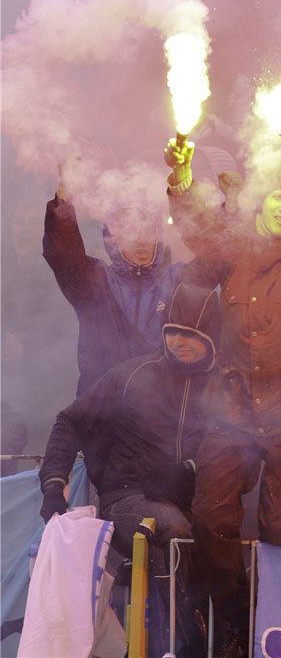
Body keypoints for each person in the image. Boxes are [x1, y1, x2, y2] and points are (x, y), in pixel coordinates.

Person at [164, 136, 281, 655]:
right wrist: (181, 180)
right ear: (260, 203)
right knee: (211, 516)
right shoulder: (234, 249)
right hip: (235, 409)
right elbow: (198, 232)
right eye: (278, 198)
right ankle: (234, 614)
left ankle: (276, 618)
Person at [38, 282, 220, 657]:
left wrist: (188, 471)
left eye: (192, 335)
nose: (179, 342)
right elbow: (69, 421)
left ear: (211, 338)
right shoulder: (134, 375)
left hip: (199, 501)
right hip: (129, 498)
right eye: (173, 333)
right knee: (172, 529)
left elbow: (241, 455)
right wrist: (54, 485)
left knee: (225, 535)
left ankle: (227, 635)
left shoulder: (224, 388)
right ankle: (191, 646)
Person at [43, 176, 196, 395]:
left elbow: (215, 258)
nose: (141, 240)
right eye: (131, 231)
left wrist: (182, 193)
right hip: (101, 416)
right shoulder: (94, 280)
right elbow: (62, 254)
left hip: (161, 418)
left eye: (148, 230)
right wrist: (63, 200)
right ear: (113, 237)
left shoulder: (177, 280)